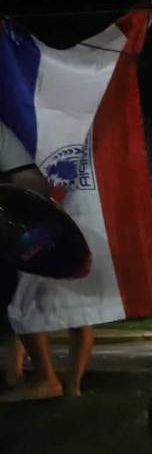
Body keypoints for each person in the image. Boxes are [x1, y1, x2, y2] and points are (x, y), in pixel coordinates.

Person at [0, 122, 91, 402]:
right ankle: (52, 380)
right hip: (44, 230)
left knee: (74, 310)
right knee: (24, 308)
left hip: (47, 234)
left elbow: (27, 180)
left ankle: (60, 381)